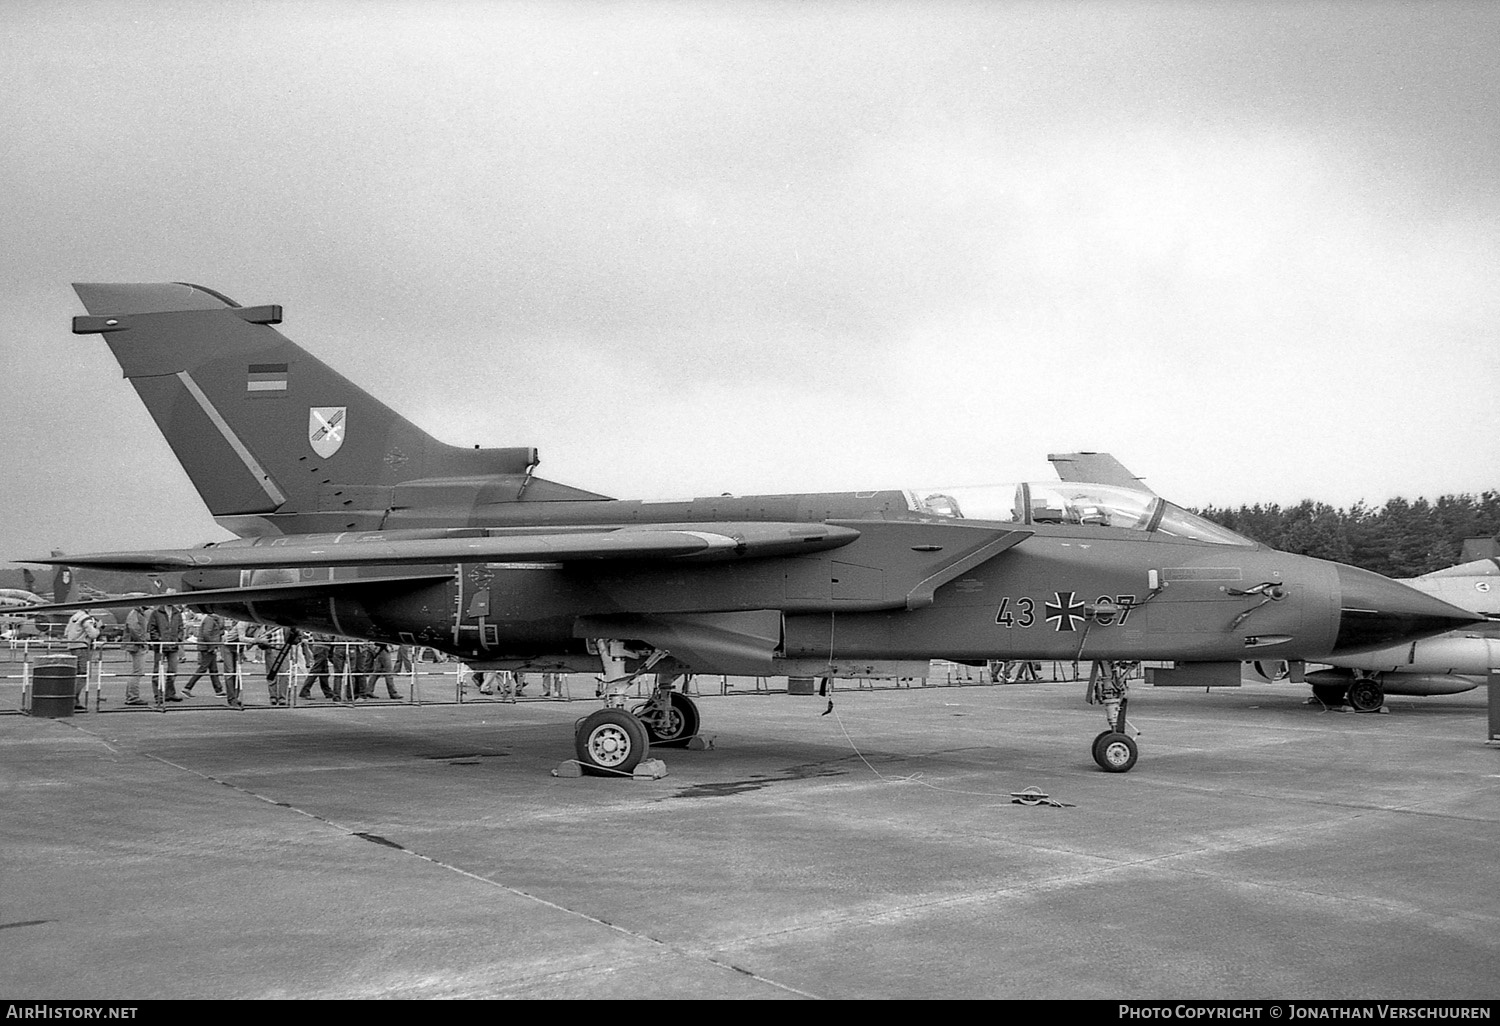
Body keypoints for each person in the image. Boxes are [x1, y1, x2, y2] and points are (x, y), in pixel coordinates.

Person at [63, 608, 101, 711]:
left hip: (72, 646)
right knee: (83, 674)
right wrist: (98, 628)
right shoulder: (86, 619)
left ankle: (73, 699)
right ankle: (72, 699)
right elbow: (93, 634)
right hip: (82, 647)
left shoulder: (74, 617)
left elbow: (66, 632)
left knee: (77, 673)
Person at [181, 610, 225, 697]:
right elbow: (206, 633)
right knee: (204, 668)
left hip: (207, 647)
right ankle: (187, 687)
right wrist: (212, 646)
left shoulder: (211, 619)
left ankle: (218, 690)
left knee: (212, 669)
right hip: (207, 648)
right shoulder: (210, 620)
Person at [148, 603, 184, 702]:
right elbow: (152, 628)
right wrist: (159, 640)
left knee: (173, 671)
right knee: (157, 671)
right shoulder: (156, 612)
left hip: (173, 646)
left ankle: (170, 693)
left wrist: (178, 639)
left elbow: (181, 627)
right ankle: (158, 695)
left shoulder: (177, 613)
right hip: (160, 646)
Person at [298, 634, 339, 701]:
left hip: (323, 647)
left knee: (324, 671)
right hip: (321, 647)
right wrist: (333, 638)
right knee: (316, 670)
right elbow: (325, 637)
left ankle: (327, 691)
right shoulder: (322, 628)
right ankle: (304, 691)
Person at [220, 618, 244, 709]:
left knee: (237, 672)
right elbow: (243, 637)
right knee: (230, 672)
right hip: (228, 646)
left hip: (239, 647)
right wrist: (256, 640)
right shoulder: (243, 623)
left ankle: (235, 697)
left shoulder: (258, 626)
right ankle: (231, 698)